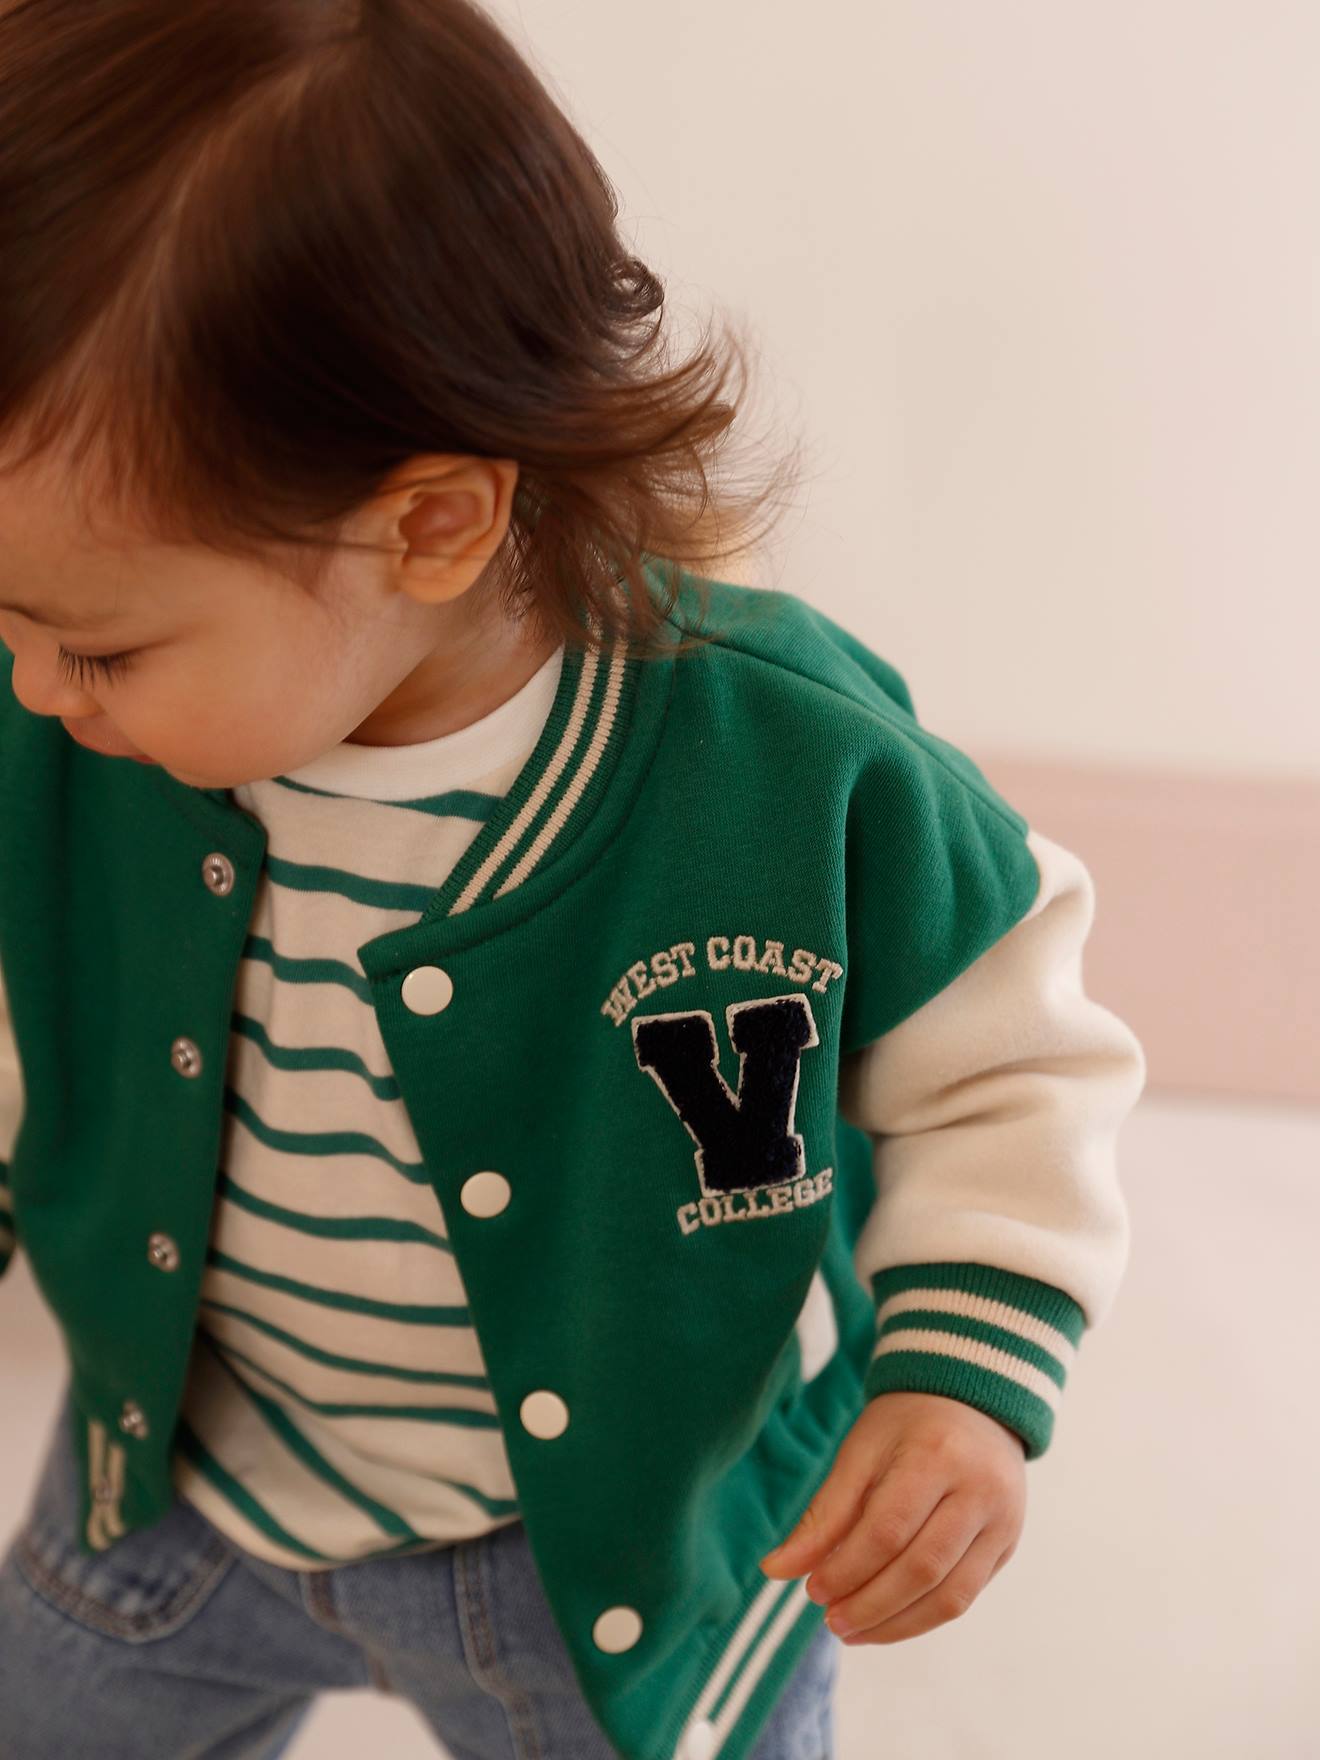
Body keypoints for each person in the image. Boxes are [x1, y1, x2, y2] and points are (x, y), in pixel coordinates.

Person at [0, 4, 1148, 1759]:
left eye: (92, 644)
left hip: (614, 1569)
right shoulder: (83, 740)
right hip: (177, 1504)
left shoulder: (784, 766)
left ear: (428, 525)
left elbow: (1013, 1065)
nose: (33, 690)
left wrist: (960, 1382)